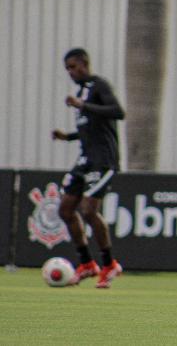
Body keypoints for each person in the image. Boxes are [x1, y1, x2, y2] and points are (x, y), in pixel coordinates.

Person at [51, 48, 125, 289]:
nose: (70, 72)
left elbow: (117, 112)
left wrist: (83, 105)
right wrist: (68, 137)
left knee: (89, 210)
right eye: (67, 69)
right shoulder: (81, 91)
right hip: (85, 159)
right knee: (65, 209)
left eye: (73, 67)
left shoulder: (98, 85)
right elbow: (90, 130)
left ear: (84, 64)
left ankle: (109, 264)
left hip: (103, 160)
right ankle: (86, 264)